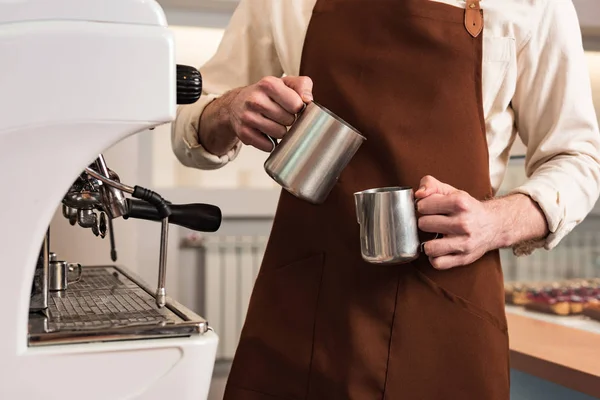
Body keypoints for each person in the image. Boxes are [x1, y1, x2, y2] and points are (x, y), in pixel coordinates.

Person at [172, 0, 600, 398]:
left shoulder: (533, 5)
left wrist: (495, 221)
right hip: (306, 308)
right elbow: (189, 120)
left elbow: (579, 158)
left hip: (448, 311)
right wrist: (229, 109)